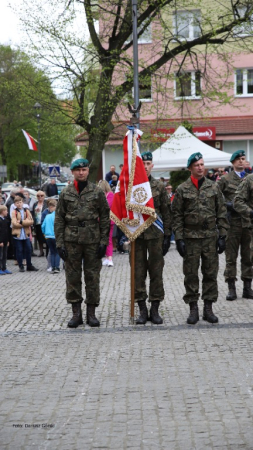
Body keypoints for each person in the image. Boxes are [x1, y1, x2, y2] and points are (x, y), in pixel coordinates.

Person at [172, 152, 229, 325]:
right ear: (190, 168)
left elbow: (221, 211)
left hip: (210, 236)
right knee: (190, 274)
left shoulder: (214, 187)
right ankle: (193, 308)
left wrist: (223, 234)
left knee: (210, 273)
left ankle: (208, 308)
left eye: (202, 164)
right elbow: (177, 215)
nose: (200, 167)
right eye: (196, 165)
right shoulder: (182, 189)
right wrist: (179, 238)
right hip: (191, 238)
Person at [55, 158, 110, 328]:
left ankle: (91, 313)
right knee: (72, 277)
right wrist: (60, 243)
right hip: (71, 240)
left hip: (92, 240)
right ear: (72, 172)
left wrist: (103, 241)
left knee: (92, 276)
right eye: (78, 170)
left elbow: (105, 217)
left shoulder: (97, 191)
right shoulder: (66, 193)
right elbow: (59, 219)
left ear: (87, 171)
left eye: (84, 169)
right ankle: (76, 314)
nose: (81, 172)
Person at [133, 151, 172, 325]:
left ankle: (155, 308)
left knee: (156, 272)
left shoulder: (159, 187)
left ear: (152, 166)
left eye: (148, 163)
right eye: (143, 164)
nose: (146, 166)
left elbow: (166, 211)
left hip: (156, 235)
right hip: (136, 236)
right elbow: (122, 211)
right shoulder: (131, 187)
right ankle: (142, 309)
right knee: (138, 273)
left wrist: (168, 235)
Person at [217, 150, 253, 300]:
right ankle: (231, 288)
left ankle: (247, 287)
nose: (241, 161)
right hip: (232, 223)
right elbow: (216, 198)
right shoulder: (225, 180)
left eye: (243, 159)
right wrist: (228, 205)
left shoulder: (250, 179)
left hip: (248, 222)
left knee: (248, 256)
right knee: (231, 256)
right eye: (238, 159)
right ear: (232, 162)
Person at [233, 171, 253, 298]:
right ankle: (233, 287)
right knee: (246, 257)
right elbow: (237, 201)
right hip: (247, 225)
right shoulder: (250, 180)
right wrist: (250, 212)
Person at [11, 196, 38, 272]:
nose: (19, 204)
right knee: (19, 250)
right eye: (17, 203)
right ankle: (21, 265)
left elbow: (31, 221)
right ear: (15, 204)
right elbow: (14, 223)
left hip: (26, 234)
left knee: (28, 249)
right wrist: (24, 223)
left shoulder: (26, 211)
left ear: (22, 202)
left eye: (20, 202)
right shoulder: (14, 212)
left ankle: (29, 265)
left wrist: (22, 222)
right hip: (18, 234)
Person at [41, 199, 60, 274]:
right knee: (57, 252)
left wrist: (44, 233)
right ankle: (57, 267)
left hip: (48, 236)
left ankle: (52, 267)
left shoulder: (47, 216)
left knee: (52, 252)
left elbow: (43, 226)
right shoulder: (57, 216)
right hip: (55, 236)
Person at [98, 180, 114, 267]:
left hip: (108, 220)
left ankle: (110, 258)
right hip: (101, 220)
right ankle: (107, 257)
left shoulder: (110, 194)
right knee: (103, 239)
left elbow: (107, 206)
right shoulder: (102, 195)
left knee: (108, 239)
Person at [32, 191, 47, 256]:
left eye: (41, 195)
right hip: (37, 222)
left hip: (44, 222)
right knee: (39, 237)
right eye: (38, 196)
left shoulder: (46, 203)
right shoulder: (35, 204)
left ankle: (47, 251)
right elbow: (33, 213)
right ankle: (41, 251)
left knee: (46, 237)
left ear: (44, 196)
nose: (40, 197)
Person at [0, 205, 12, 275]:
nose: (7, 212)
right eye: (6, 211)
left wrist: (7, 240)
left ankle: (4, 267)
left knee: (5, 255)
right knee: (0, 255)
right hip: (1, 241)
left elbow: (6, 231)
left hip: (5, 240)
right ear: (2, 211)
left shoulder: (5, 220)